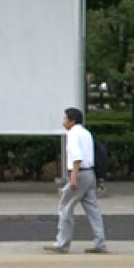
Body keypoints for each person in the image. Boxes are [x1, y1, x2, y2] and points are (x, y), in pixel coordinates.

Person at [44, 107, 107, 254]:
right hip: (90, 174)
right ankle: (100, 243)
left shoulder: (73, 134)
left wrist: (73, 178)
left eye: (65, 118)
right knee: (93, 210)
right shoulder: (86, 133)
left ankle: (62, 243)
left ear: (72, 121)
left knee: (65, 207)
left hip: (79, 174)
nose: (63, 121)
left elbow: (77, 157)